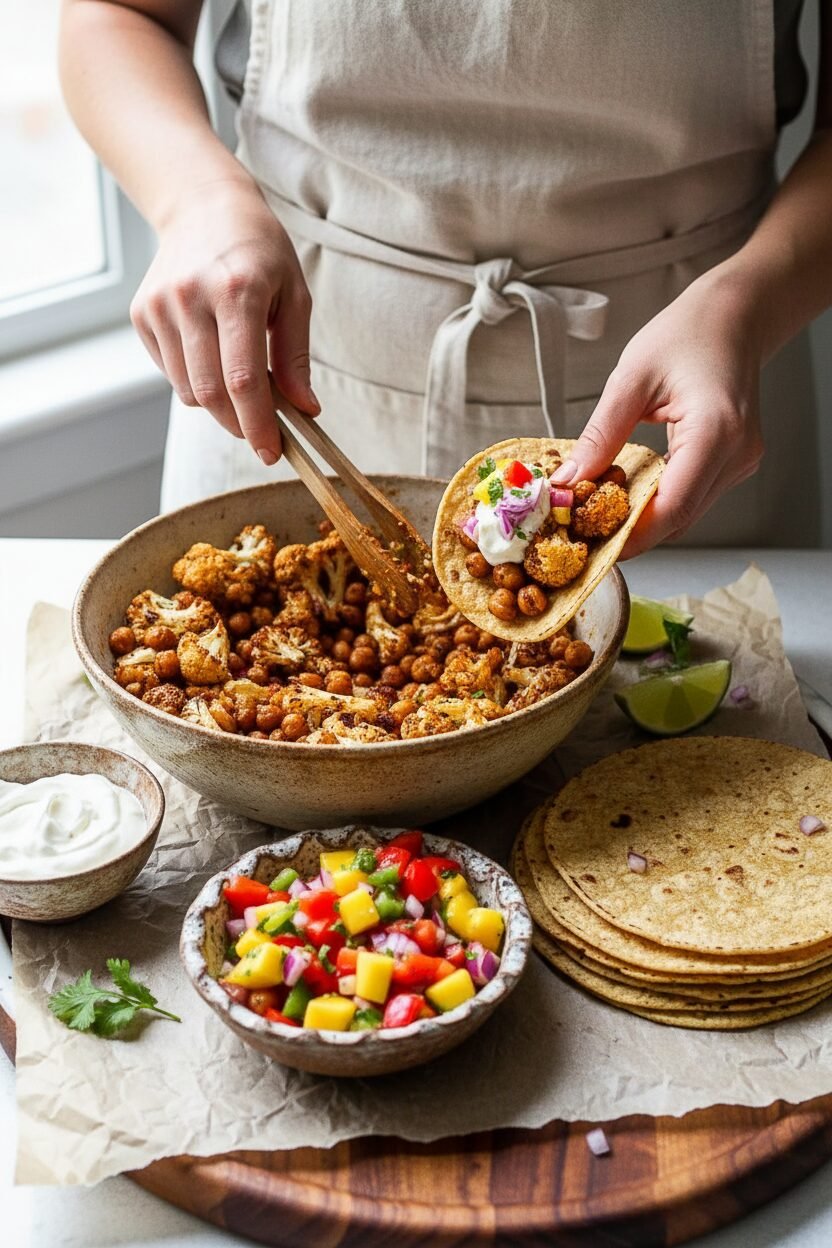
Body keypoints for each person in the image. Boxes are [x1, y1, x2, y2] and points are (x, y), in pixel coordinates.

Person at [60, 1, 832, 553]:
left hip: (697, 392)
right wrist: (199, 202)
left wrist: (744, 306)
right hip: (294, 361)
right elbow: (119, 15)